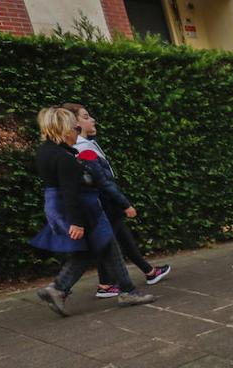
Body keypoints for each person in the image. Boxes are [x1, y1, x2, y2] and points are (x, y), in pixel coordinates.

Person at [30, 107, 155, 316]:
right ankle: (127, 292)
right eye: (73, 127)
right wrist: (77, 223)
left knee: (89, 251)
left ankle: (58, 289)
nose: (76, 131)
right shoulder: (65, 158)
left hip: (59, 207)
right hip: (84, 210)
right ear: (62, 129)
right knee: (108, 244)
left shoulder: (45, 152)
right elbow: (71, 192)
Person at [62, 103, 171, 298]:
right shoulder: (84, 149)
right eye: (86, 117)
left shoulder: (86, 144)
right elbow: (103, 182)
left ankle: (140, 274)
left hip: (104, 202)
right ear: (74, 123)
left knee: (119, 237)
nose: (92, 119)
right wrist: (125, 203)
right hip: (104, 202)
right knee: (108, 243)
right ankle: (72, 287)